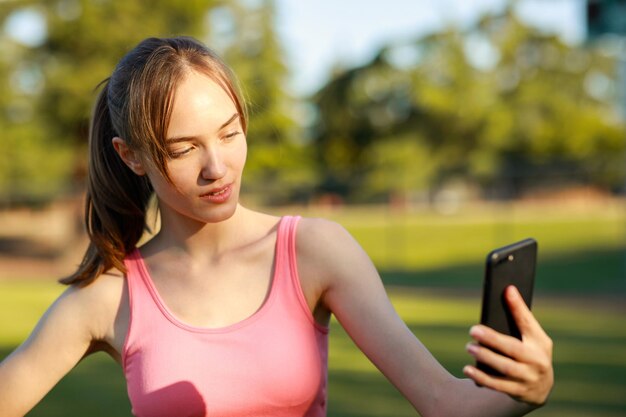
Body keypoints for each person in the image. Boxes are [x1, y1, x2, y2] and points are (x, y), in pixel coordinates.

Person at [0, 36, 553, 417]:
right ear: (132, 155)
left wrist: (529, 390)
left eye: (229, 132)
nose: (217, 168)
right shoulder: (109, 295)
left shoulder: (315, 250)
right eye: (184, 148)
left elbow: (445, 404)